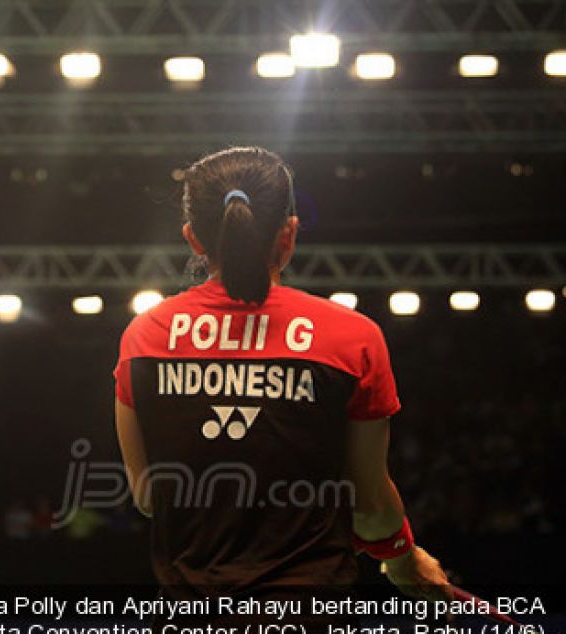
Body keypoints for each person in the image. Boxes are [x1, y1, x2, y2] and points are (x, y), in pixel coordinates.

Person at [113, 147, 449, 615]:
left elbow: (150, 498)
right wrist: (399, 556)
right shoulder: (350, 337)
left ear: (193, 238)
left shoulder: (145, 337)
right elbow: (370, 503)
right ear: (289, 234)